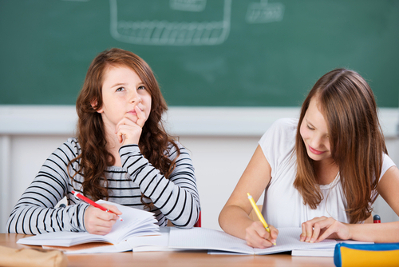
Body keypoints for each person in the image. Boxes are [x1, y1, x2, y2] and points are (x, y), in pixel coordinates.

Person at [7, 48, 200, 235]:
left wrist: (131, 153)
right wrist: (81, 218)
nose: (136, 98)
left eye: (142, 87)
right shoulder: (71, 154)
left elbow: (188, 217)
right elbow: (18, 219)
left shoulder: (171, 153)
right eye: (120, 89)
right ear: (96, 102)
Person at [219, 68, 399, 248]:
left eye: (331, 137)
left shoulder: (371, 161)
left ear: (355, 137)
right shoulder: (281, 137)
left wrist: (348, 230)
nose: (315, 143)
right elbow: (231, 211)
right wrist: (248, 229)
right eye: (310, 126)